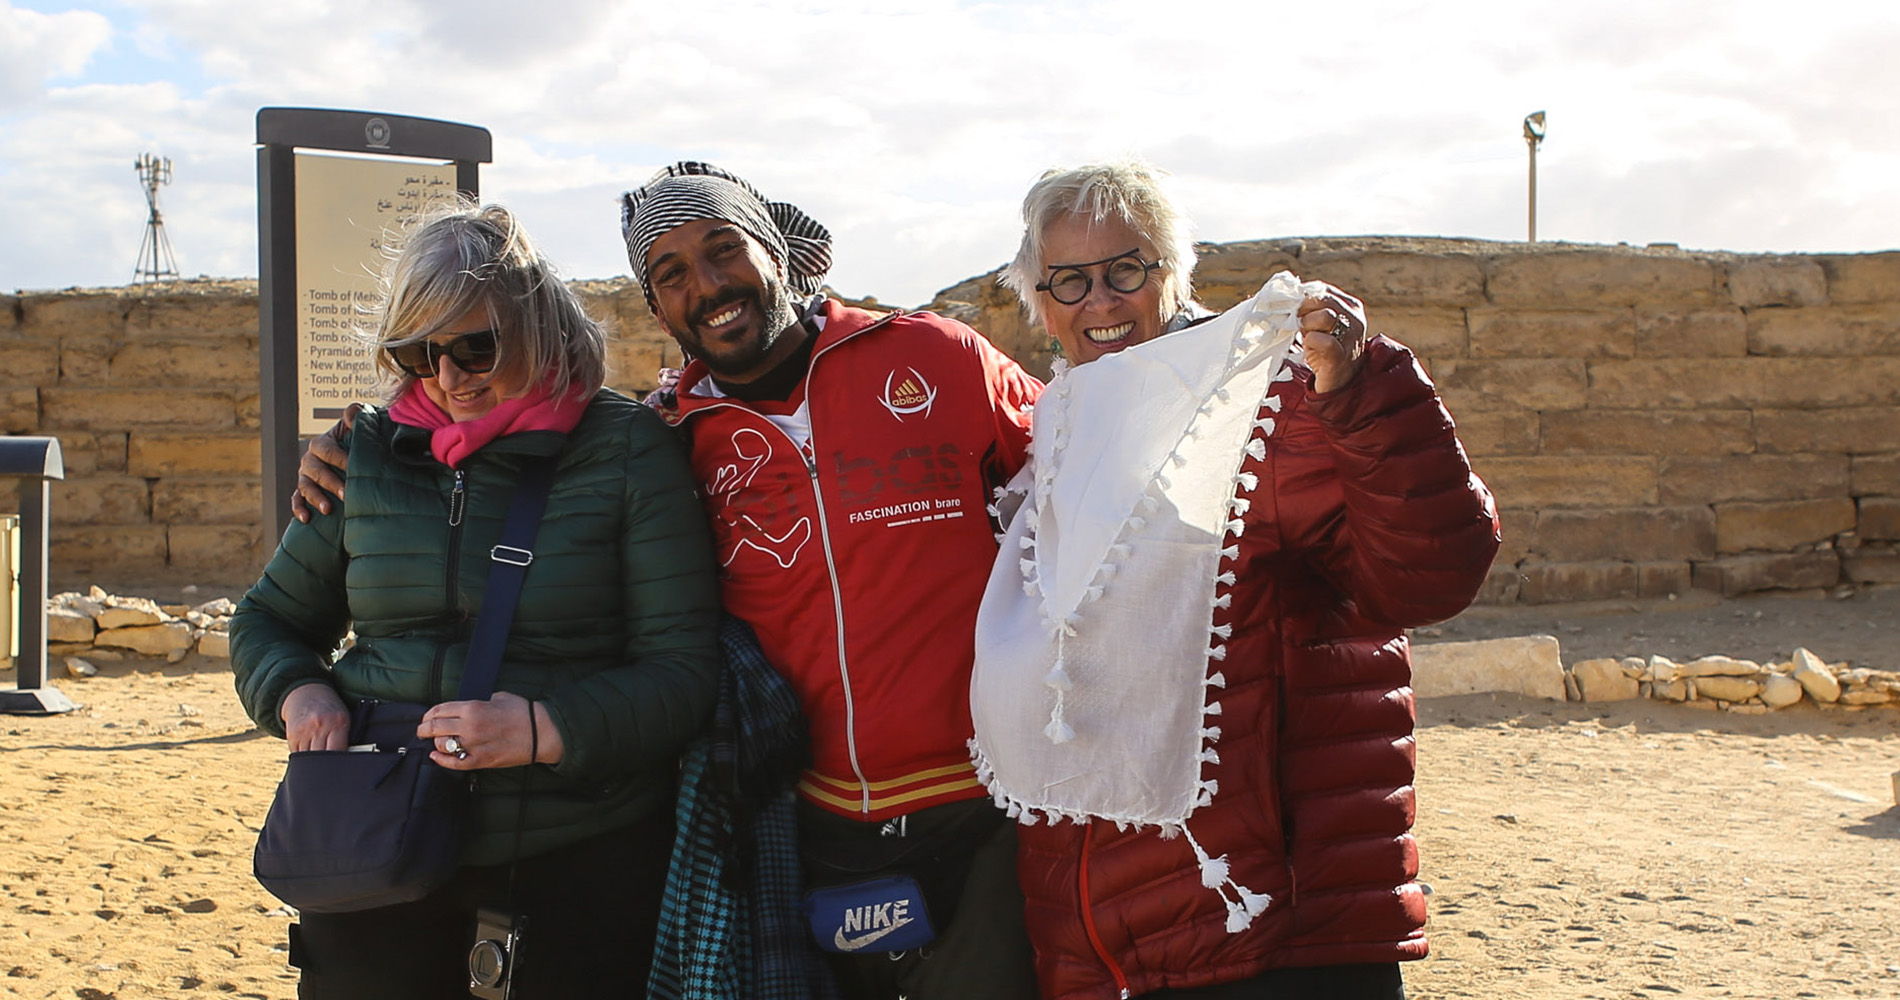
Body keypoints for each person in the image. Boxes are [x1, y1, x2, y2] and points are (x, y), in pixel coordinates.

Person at [294, 163, 1044, 1000]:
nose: (707, 284)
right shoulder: (671, 433)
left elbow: (1085, 458)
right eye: (671, 273)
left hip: (982, 805)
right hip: (802, 817)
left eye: (725, 250)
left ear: (779, 254)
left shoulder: (935, 357)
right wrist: (351, 442)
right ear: (656, 308)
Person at [969, 160, 1500, 1000]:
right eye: (1067, 280)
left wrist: (1363, 394)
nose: (1099, 301)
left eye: (1125, 270)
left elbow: (1430, 575)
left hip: (1269, 929)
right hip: (1106, 943)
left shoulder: (1268, 401)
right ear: (1036, 299)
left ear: (1171, 272)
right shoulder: (1061, 431)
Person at [236, 203, 721, 999]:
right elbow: (268, 620)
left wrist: (544, 728)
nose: (449, 380)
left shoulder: (628, 449)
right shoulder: (365, 452)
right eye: (417, 353)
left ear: (535, 320)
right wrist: (296, 691)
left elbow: (683, 670)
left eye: (475, 346)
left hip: (572, 845)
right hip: (375, 845)